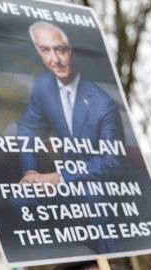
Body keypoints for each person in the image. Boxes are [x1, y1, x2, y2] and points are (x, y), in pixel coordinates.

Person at [17, 21, 125, 186]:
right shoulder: (42, 86)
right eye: (45, 50)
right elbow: (28, 129)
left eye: (60, 49)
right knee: (18, 201)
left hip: (94, 182)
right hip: (59, 181)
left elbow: (112, 160)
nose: (55, 60)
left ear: (73, 52)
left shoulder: (103, 104)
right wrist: (31, 171)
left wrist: (60, 178)